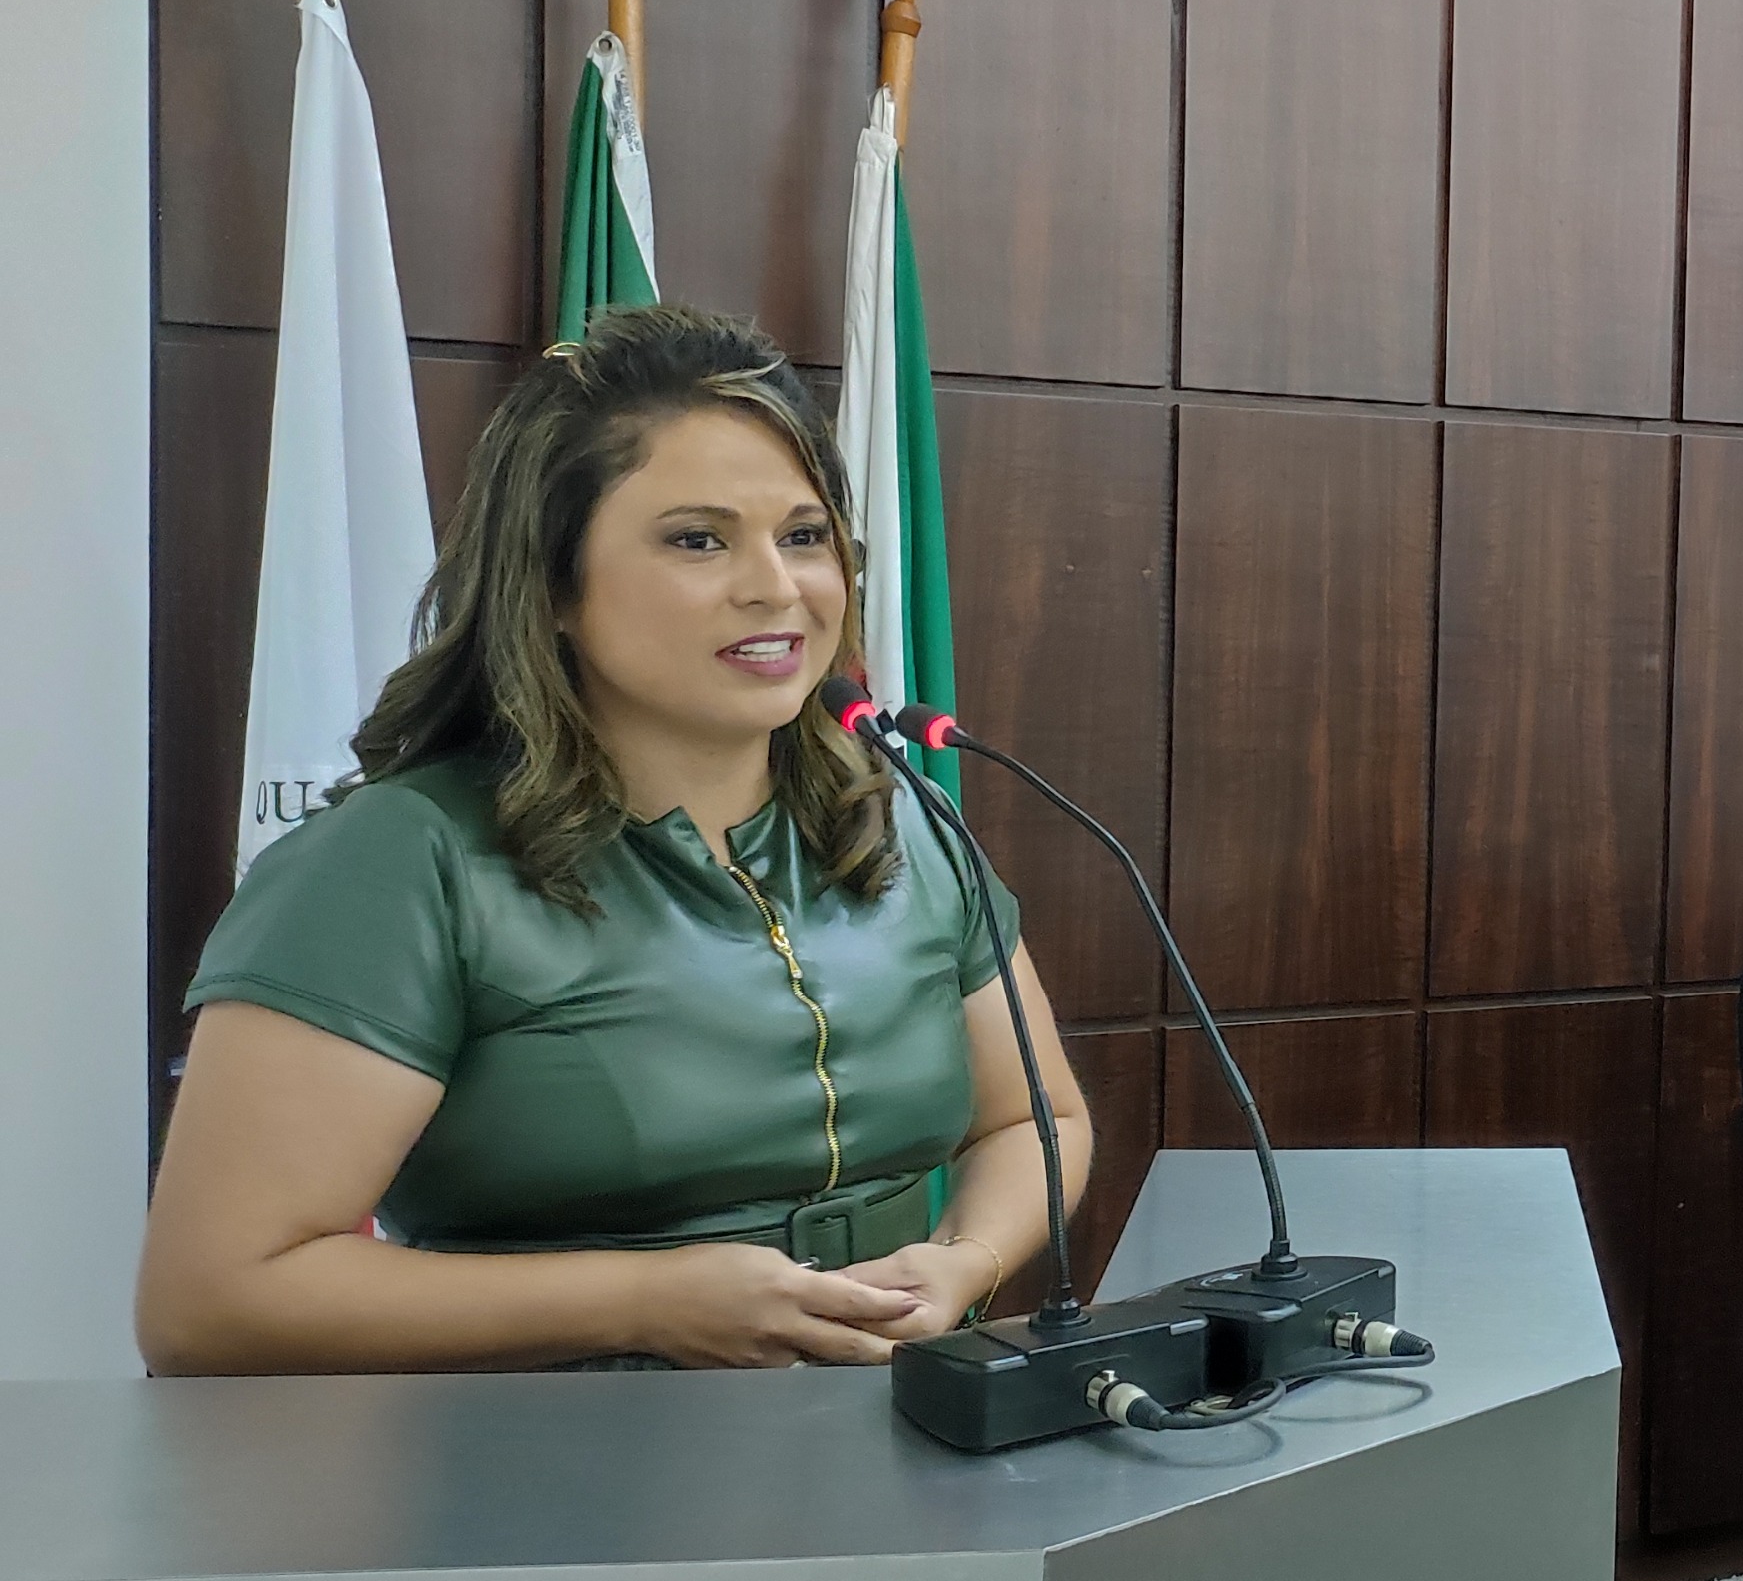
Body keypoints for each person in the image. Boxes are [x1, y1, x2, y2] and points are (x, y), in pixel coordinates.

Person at [138, 305, 1085, 1375]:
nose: (775, 586)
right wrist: (642, 1300)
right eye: (698, 539)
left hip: (890, 1430)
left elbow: (1037, 1118)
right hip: (549, 1458)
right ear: (552, 585)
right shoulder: (400, 861)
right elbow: (209, 1301)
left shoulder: (899, 815)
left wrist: (962, 1262)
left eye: (804, 535)